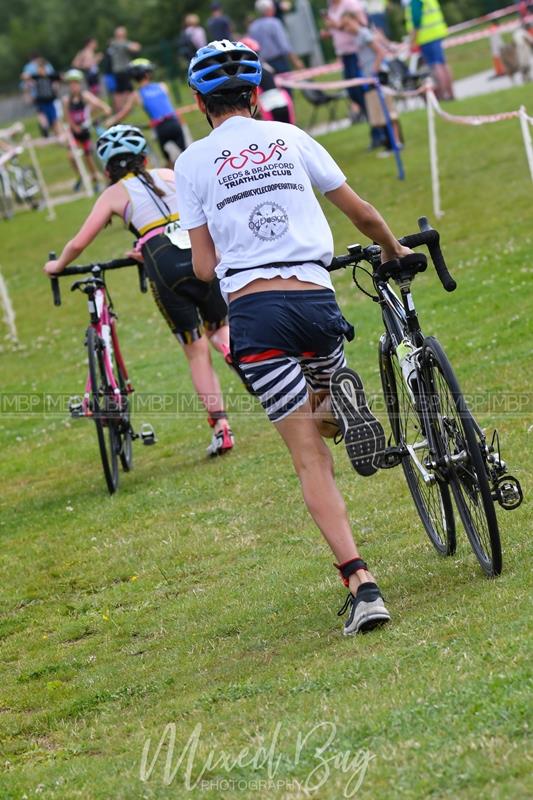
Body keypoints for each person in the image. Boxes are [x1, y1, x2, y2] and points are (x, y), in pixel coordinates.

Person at [175, 40, 413, 634]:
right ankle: (337, 397)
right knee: (324, 404)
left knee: (311, 457)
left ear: (200, 103)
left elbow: (204, 268)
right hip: (315, 301)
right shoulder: (290, 138)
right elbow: (360, 211)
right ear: (255, 96)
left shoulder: (191, 163)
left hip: (256, 319)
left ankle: (362, 584)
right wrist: (394, 248)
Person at [43, 124, 235, 457]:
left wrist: (57, 265)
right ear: (145, 158)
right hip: (202, 252)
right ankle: (242, 359)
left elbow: (79, 242)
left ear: (107, 169)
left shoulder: (114, 193)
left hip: (163, 265)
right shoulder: (170, 174)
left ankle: (221, 428)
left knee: (196, 351)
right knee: (221, 332)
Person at [340, 12, 402, 153]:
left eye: (348, 24)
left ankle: (396, 143)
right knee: (379, 113)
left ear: (355, 20)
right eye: (344, 26)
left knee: (388, 111)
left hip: (378, 76)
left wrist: (374, 71)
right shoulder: (357, 38)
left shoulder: (364, 34)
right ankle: (389, 144)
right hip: (370, 77)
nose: (347, 28)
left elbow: (380, 52)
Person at [109, 59, 187, 166]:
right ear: (147, 74)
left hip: (161, 129)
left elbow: (124, 112)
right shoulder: (162, 86)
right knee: (186, 154)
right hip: (174, 123)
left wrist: (111, 121)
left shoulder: (137, 95)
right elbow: (170, 107)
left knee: (168, 162)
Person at [62, 69, 111, 192]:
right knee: (71, 157)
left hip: (86, 132)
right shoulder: (67, 100)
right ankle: (81, 176)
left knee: (89, 156)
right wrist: (74, 128)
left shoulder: (85, 96)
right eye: (71, 84)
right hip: (75, 133)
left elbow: (104, 107)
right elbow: (67, 118)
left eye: (75, 83)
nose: (73, 86)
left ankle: (96, 180)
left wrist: (98, 117)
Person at [321, 0, 368, 120]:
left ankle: (370, 113)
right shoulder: (331, 6)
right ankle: (368, 113)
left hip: (356, 51)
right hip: (344, 53)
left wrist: (336, 26)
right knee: (351, 90)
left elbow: (362, 25)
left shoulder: (350, 4)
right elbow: (336, 28)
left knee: (358, 88)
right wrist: (329, 32)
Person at [404, 0, 454, 100]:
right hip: (436, 32)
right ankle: (450, 93)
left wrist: (413, 40)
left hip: (427, 36)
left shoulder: (415, 1)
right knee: (442, 63)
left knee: (436, 65)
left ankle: (443, 95)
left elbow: (416, 21)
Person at [248, 0, 304, 75]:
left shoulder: (253, 27)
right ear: (269, 9)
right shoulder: (274, 22)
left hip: (263, 64)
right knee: (285, 85)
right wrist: (296, 60)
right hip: (279, 62)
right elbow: (284, 45)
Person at [20, 56, 62, 138]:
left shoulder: (50, 76)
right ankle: (46, 130)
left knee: (53, 118)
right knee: (42, 116)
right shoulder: (36, 77)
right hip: (41, 101)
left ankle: (57, 133)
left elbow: (60, 78)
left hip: (50, 100)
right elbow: (24, 77)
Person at [107, 26, 142, 111]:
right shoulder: (120, 43)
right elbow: (135, 48)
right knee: (129, 91)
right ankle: (129, 108)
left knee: (120, 91)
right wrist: (136, 45)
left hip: (118, 71)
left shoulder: (114, 43)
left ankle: (121, 109)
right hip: (123, 71)